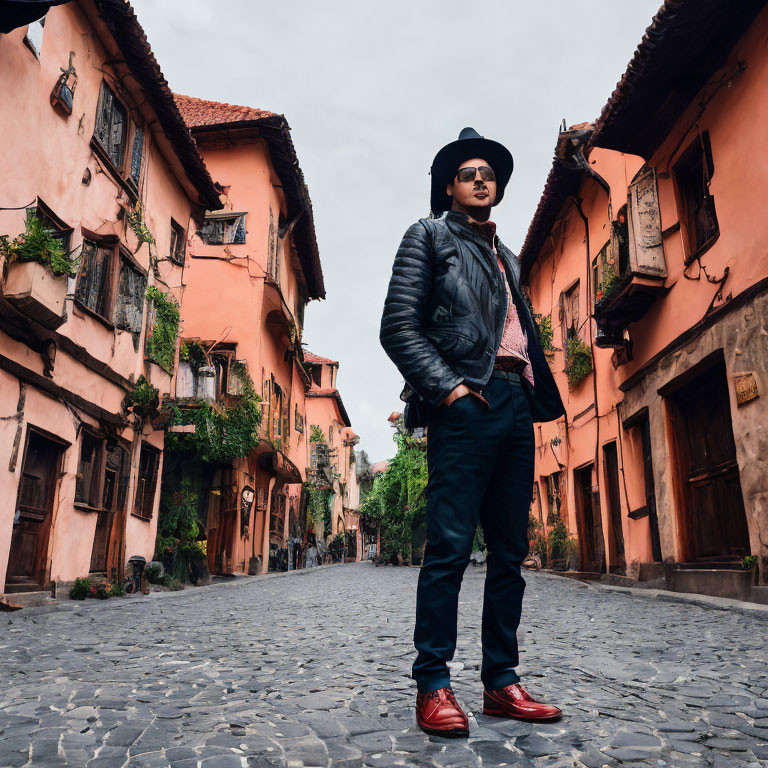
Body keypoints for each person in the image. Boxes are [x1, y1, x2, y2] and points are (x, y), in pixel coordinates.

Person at [379, 128, 566, 737]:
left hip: (514, 401)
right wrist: (451, 391)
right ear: (450, 187)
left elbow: (516, 334)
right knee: (450, 549)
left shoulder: (508, 256)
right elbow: (398, 328)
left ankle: (501, 683)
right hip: (468, 401)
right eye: (468, 172)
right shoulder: (429, 236)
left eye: (489, 172)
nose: (481, 178)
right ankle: (433, 684)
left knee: (511, 553)